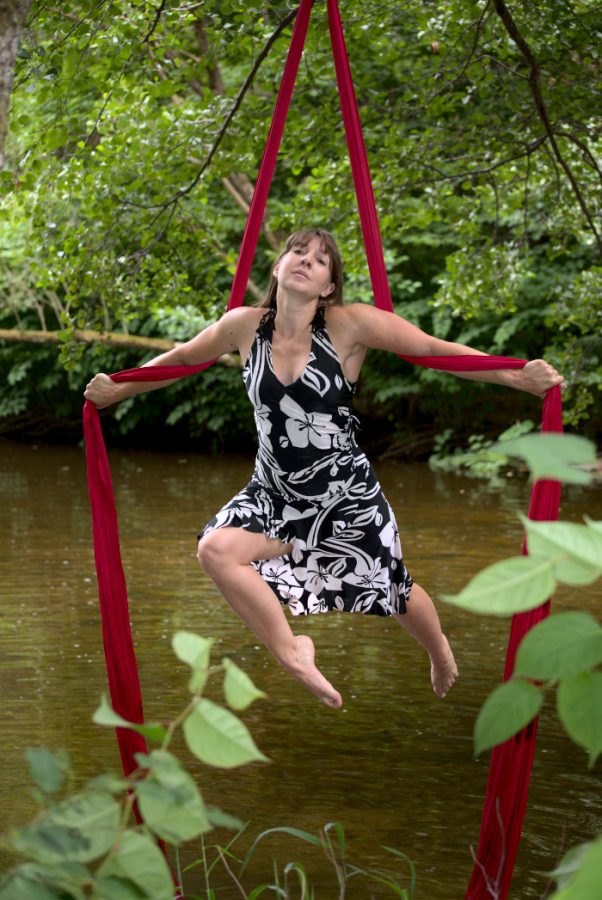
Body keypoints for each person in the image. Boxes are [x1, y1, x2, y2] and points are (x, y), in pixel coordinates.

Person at [84, 228, 564, 709]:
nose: (305, 261)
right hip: (274, 493)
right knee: (216, 550)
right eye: (297, 252)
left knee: (394, 591)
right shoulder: (243, 326)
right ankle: (292, 650)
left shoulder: (349, 325)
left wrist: (518, 376)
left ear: (328, 286)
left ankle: (439, 651)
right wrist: (119, 389)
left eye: (319, 260)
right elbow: (183, 358)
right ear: (277, 266)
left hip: (344, 495)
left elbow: (432, 350)